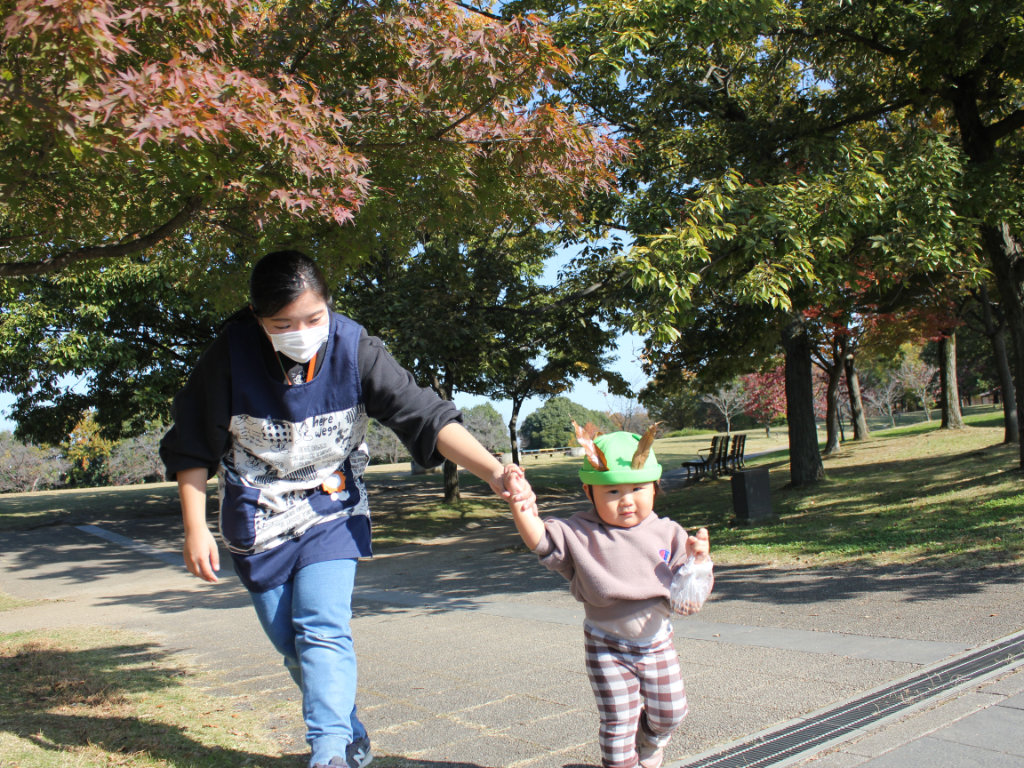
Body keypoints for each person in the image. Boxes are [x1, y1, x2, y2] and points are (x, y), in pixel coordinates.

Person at [159, 250, 534, 768]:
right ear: (256, 316)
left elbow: (424, 414)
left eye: (313, 318)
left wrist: (493, 470)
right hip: (257, 515)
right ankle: (347, 728)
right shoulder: (228, 356)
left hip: (331, 505)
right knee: (290, 642)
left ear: (329, 305)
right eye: (281, 324)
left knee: (321, 626)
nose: (301, 333)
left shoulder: (356, 348)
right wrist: (195, 527)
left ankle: (329, 751)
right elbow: (192, 445)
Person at [505, 426, 711, 768]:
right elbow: (540, 540)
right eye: (612, 491)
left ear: (655, 486)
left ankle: (651, 738)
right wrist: (520, 505)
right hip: (605, 645)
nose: (626, 500)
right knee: (617, 723)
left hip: (656, 642)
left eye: (637, 488)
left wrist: (698, 563)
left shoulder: (669, 533)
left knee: (671, 712)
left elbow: (687, 601)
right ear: (589, 492)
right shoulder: (580, 533)